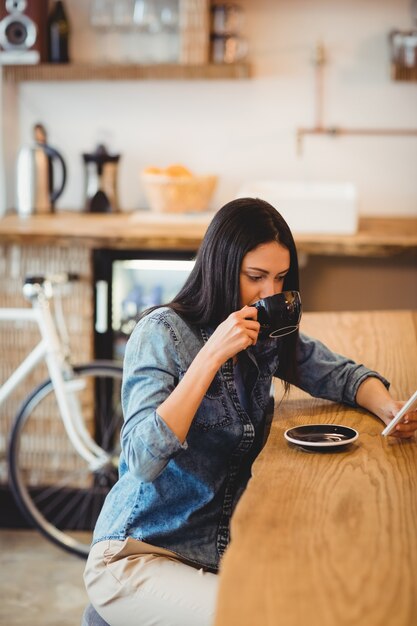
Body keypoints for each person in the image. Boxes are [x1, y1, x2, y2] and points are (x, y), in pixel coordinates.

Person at [84, 197, 417, 626]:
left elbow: (339, 375)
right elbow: (142, 460)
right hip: (140, 553)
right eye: (255, 277)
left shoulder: (265, 333)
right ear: (222, 268)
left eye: (280, 278)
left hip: (218, 549)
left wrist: (389, 407)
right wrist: (209, 358)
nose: (270, 294)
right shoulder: (161, 334)